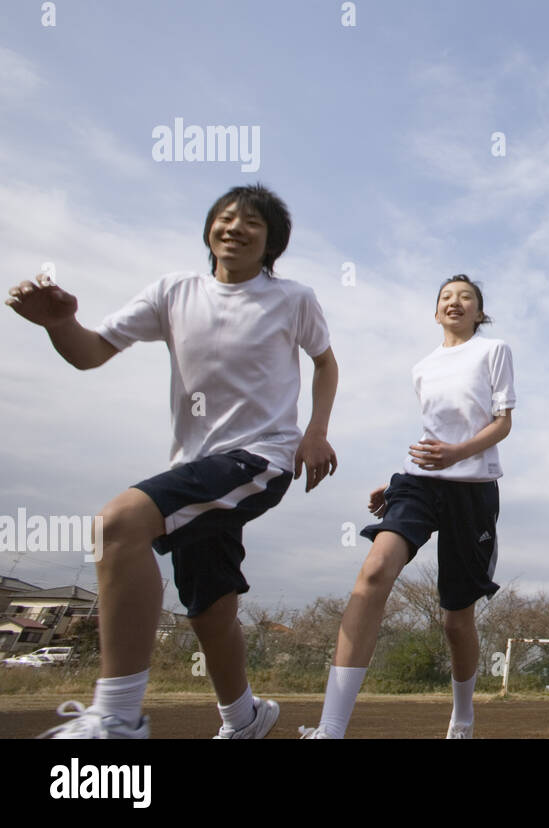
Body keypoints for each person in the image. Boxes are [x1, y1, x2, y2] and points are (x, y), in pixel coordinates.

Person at [6, 184, 339, 738]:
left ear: (271, 242)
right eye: (225, 217)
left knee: (118, 524)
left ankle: (117, 717)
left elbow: (326, 363)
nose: (235, 227)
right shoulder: (173, 291)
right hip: (197, 464)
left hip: (262, 457)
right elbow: (91, 353)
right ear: (210, 229)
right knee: (209, 607)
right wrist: (58, 324)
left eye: (251, 222)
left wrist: (316, 433)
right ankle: (245, 718)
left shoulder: (293, 299)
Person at [300, 274, 513, 739]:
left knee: (456, 619)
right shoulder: (422, 367)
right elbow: (430, 431)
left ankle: (462, 716)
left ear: (479, 312)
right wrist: (396, 482)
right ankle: (330, 728)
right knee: (375, 570)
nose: (455, 303)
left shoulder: (494, 351)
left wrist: (457, 454)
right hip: (419, 481)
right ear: (436, 312)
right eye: (446, 298)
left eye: (466, 298)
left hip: (472, 490)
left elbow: (502, 425)